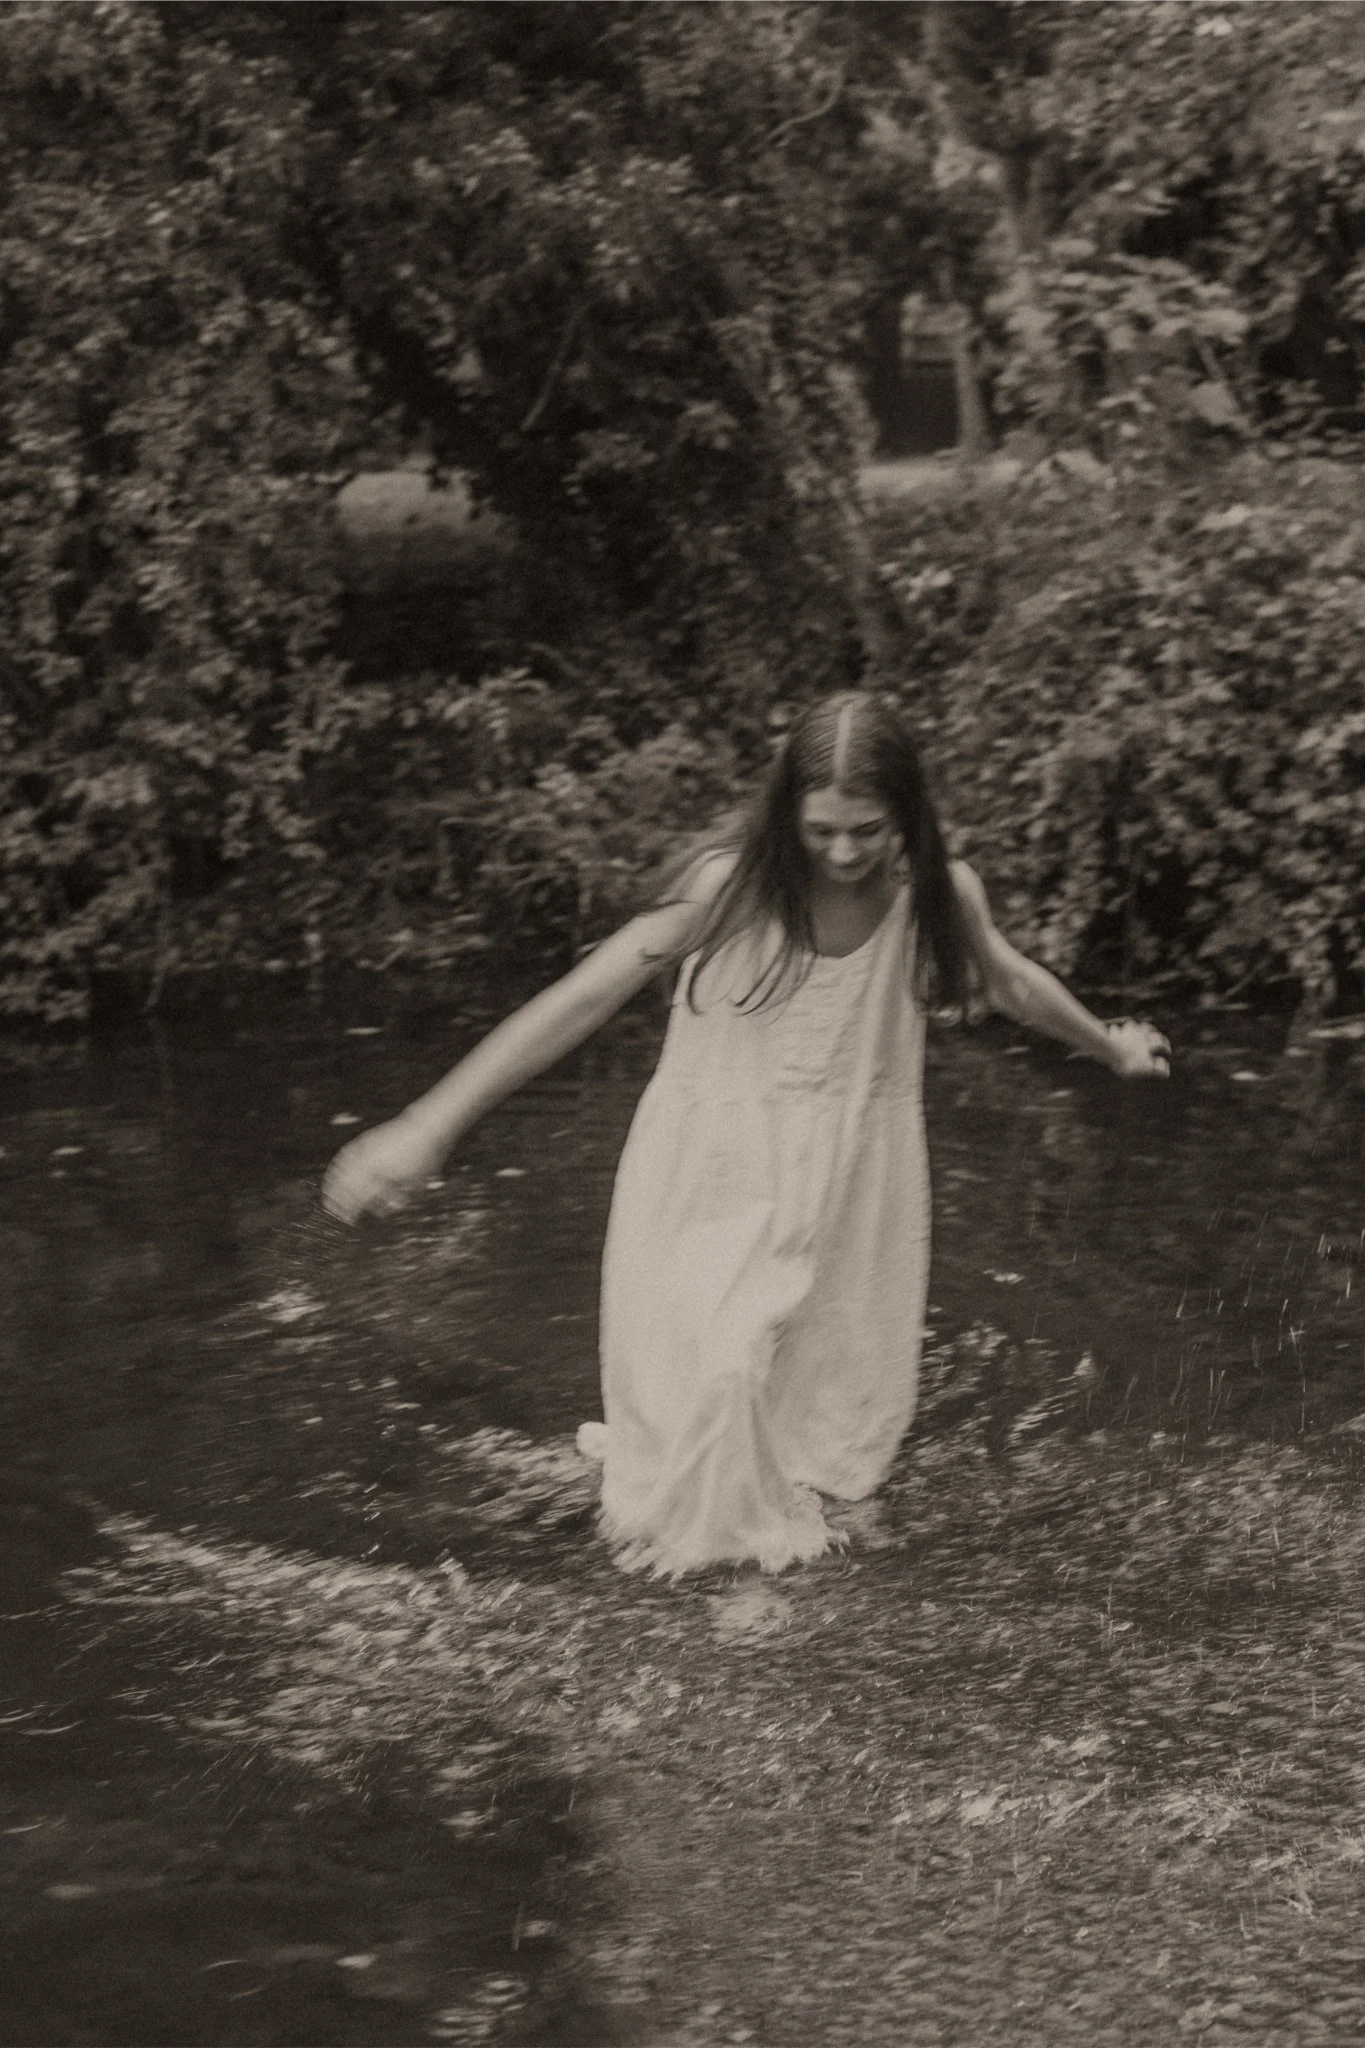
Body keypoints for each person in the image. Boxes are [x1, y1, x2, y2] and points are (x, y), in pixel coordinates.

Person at [323, 691, 1169, 1577]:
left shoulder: (935, 893)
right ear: (786, 816)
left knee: (824, 1403)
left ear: (906, 816)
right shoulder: (730, 889)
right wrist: (429, 1125)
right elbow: (585, 996)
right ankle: (735, 1575)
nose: (843, 853)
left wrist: (1106, 1046)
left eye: (867, 831)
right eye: (821, 830)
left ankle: (776, 1543)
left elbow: (1009, 982)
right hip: (713, 1169)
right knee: (725, 1367)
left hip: (853, 1179)